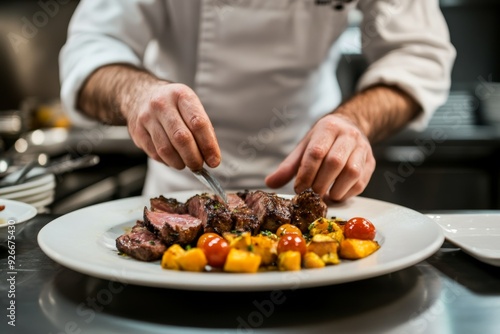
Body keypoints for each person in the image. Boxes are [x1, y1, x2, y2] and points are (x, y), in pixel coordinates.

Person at [59, 0, 455, 201]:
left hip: (316, 182)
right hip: (182, 185)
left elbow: (418, 54)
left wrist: (356, 120)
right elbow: (90, 49)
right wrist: (136, 93)